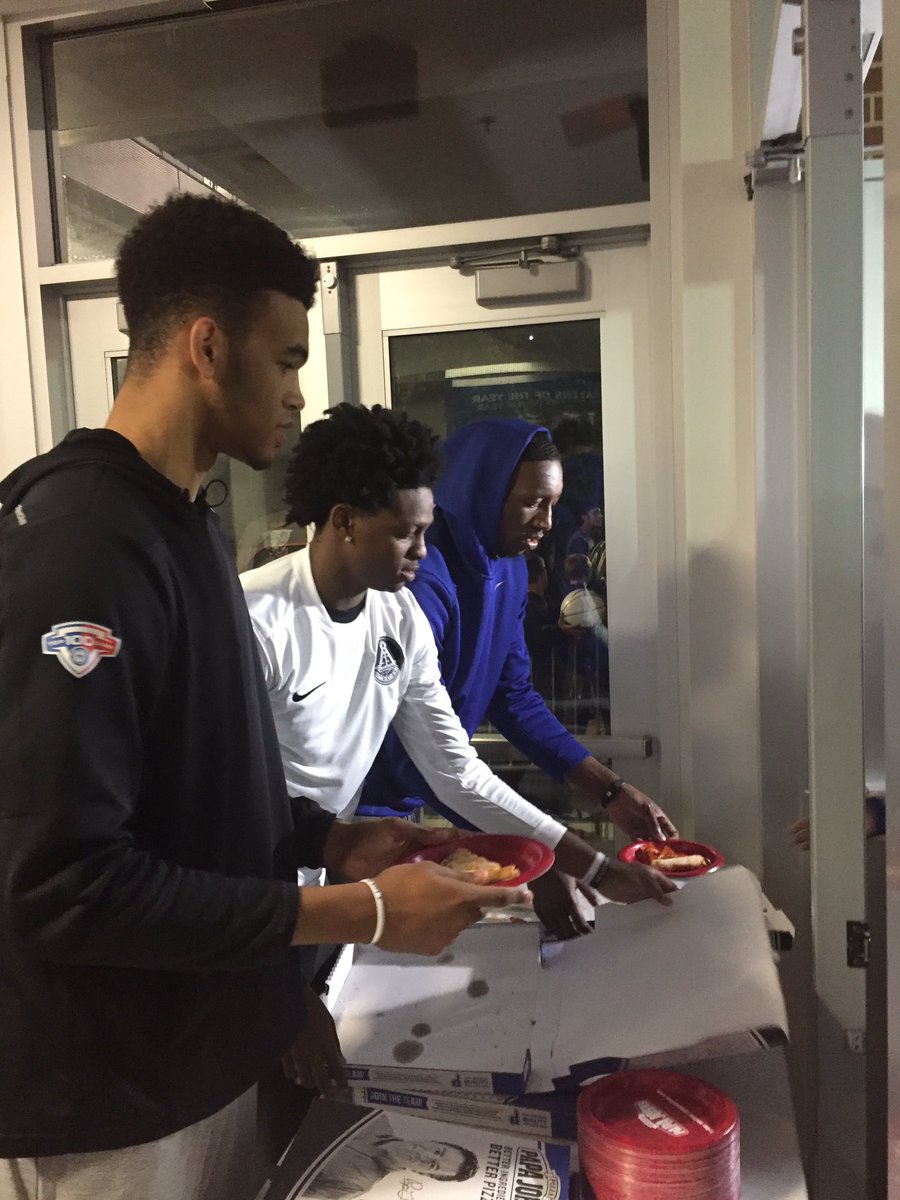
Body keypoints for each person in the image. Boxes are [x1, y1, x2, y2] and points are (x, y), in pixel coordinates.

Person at [0, 195, 528, 1200]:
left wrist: (320, 839)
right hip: (112, 1104)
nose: (298, 394)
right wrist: (360, 911)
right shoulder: (77, 548)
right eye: (286, 359)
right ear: (207, 347)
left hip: (200, 1061)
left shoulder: (185, 526)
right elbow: (64, 884)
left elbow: (185, 794)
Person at [240, 403, 674, 1093]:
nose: (422, 552)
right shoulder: (255, 621)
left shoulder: (400, 616)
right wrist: (283, 996)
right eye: (407, 534)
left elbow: (455, 771)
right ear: (346, 520)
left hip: (331, 872)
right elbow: (223, 821)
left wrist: (590, 866)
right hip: (250, 902)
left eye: (425, 531)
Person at [362, 418, 678, 857]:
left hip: (418, 796)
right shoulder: (421, 578)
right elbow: (416, 751)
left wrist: (610, 790)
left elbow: (513, 696)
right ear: (482, 489)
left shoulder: (507, 567)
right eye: (532, 502)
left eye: (554, 504)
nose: (547, 522)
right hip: (355, 810)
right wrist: (551, 852)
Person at [307, 1114, 477, 1199]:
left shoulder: (357, 1184)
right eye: (437, 1151)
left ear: (424, 1174)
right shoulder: (375, 1119)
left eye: (432, 1165)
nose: (423, 1154)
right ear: (432, 1141)